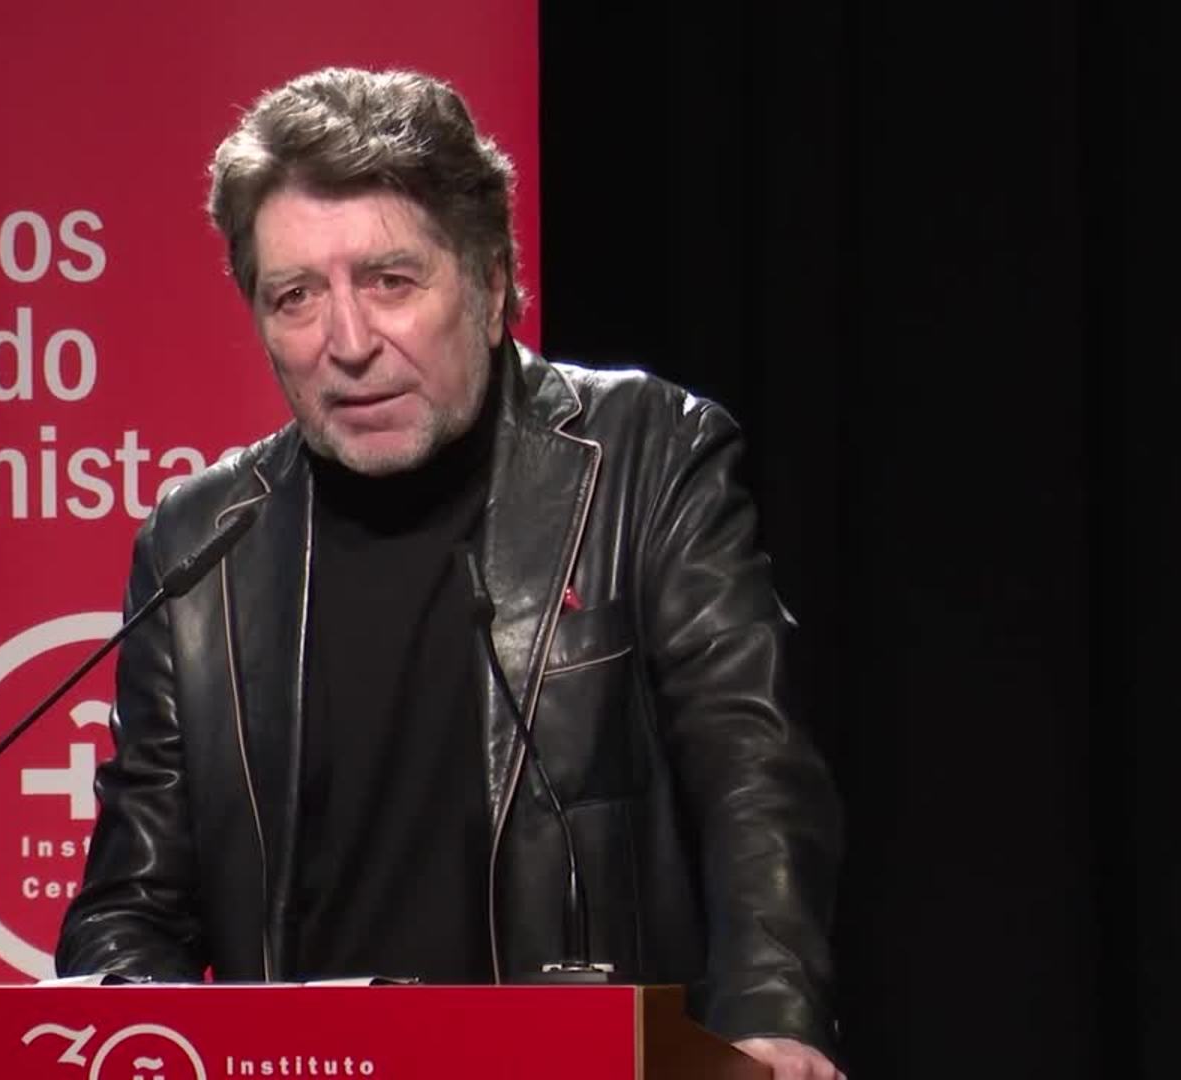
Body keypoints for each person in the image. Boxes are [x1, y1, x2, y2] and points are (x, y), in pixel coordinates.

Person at [56, 67, 844, 1080]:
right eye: (296, 297)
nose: (347, 343)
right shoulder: (200, 542)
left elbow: (752, 769)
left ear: (493, 282)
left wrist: (772, 1017)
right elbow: (132, 907)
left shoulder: (646, 455)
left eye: (391, 281)